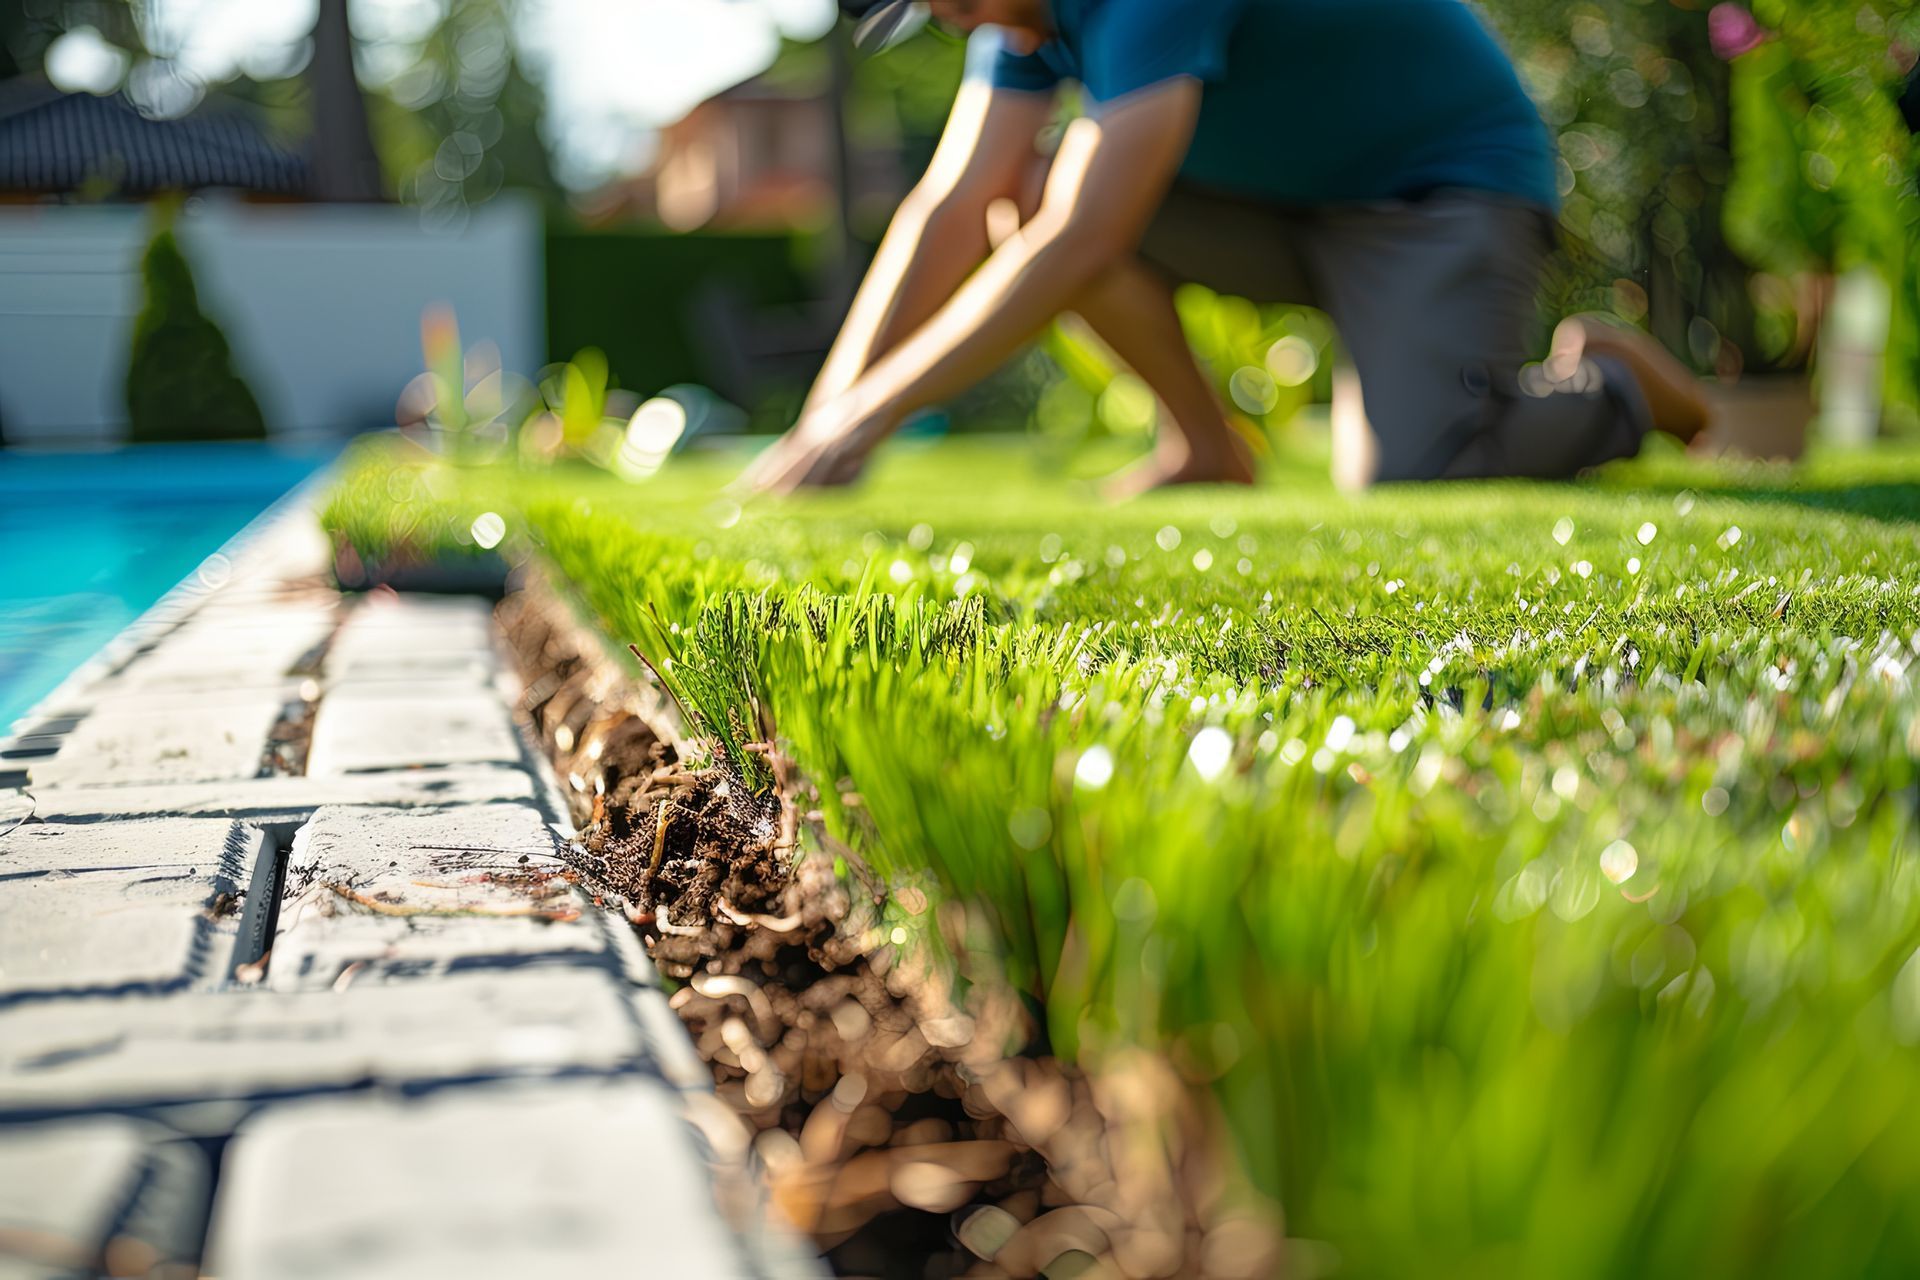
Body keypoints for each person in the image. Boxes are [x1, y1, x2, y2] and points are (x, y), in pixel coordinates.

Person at [742, 0, 1712, 495]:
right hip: (1287, 208)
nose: (954, 20)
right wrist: (824, 420)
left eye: (947, 0)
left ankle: (1617, 385)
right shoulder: (1019, 16)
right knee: (1023, 193)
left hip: (1439, 195)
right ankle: (1209, 446)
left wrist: (871, 414)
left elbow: (1088, 239)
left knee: (1416, 475)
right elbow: (947, 208)